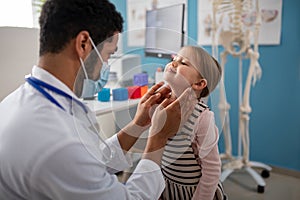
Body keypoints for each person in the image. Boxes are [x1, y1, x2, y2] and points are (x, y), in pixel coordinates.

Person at [0, 1, 198, 199]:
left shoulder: (18, 101)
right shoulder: (58, 141)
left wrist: (138, 124)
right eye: (108, 55)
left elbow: (92, 161)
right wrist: (159, 137)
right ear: (84, 43)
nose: (106, 65)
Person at [160, 46, 226, 200]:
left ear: (199, 84)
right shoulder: (162, 104)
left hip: (192, 192)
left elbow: (212, 169)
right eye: (174, 59)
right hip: (167, 187)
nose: (174, 64)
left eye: (183, 62)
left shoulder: (202, 118)